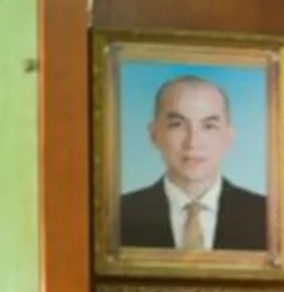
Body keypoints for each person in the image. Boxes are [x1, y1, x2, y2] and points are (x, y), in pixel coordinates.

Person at [115, 74, 270, 254]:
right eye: (177, 125)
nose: (193, 142)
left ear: (228, 136)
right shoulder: (118, 215)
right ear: (153, 134)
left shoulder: (269, 216)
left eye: (208, 126)